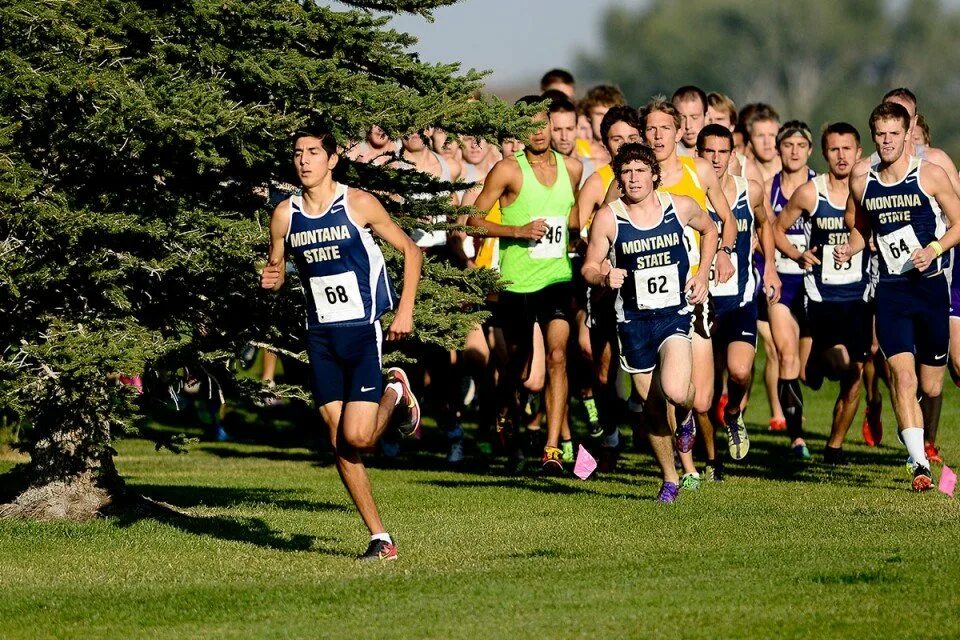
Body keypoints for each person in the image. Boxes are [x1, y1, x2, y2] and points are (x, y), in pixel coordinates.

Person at [260, 128, 423, 560]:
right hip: (321, 336)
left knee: (360, 438)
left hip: (362, 332)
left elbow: (411, 250)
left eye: (314, 152)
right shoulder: (284, 214)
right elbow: (275, 270)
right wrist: (270, 279)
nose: (304, 160)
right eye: (298, 153)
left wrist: (403, 311)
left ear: (332, 159)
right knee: (341, 443)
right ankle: (380, 538)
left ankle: (394, 391)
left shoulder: (357, 203)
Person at [835, 101, 960, 491]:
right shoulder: (863, 180)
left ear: (908, 135)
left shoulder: (930, 175)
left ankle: (919, 442)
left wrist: (935, 250)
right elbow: (860, 227)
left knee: (932, 385)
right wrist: (851, 247)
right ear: (873, 137)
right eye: (880, 135)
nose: (887, 142)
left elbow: (959, 224)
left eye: (894, 134)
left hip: (930, 289)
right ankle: (920, 464)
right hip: (891, 291)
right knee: (902, 378)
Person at [582, 142, 717, 502]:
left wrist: (702, 274)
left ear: (654, 176)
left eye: (641, 170)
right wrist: (603, 276)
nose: (634, 178)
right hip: (633, 323)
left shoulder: (680, 206)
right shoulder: (609, 217)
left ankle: (686, 417)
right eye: (626, 172)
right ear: (619, 179)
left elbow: (711, 230)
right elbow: (589, 266)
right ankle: (670, 479)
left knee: (675, 391)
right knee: (652, 406)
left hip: (673, 316)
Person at [620, 97, 740, 483]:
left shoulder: (698, 169)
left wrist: (719, 256)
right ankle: (683, 469)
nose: (657, 136)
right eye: (650, 129)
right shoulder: (632, 178)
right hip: (643, 301)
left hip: (691, 293)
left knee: (699, 398)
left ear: (678, 132)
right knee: (657, 393)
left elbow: (726, 221)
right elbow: (603, 223)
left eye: (665, 128)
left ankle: (688, 425)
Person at [467, 95, 583, 474]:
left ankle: (551, 449)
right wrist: (515, 230)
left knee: (558, 357)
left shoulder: (573, 169)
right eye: (527, 125)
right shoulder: (507, 170)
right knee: (516, 370)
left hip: (557, 279)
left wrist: (580, 239)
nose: (537, 131)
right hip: (516, 283)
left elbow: (574, 218)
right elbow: (473, 221)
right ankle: (508, 423)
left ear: (551, 124)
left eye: (542, 123)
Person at [774, 123, 869, 464]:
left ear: (859, 153)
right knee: (843, 365)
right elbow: (776, 228)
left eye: (848, 149)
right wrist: (797, 255)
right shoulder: (810, 192)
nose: (842, 156)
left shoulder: (872, 191)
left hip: (861, 298)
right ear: (825, 154)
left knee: (856, 373)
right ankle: (814, 360)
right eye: (834, 149)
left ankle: (835, 447)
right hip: (821, 298)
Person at [696, 124, 780, 480]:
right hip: (701, 301)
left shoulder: (751, 190)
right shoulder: (690, 196)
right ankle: (710, 459)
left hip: (742, 297)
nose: (716, 159)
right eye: (709, 152)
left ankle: (733, 414)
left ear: (733, 155)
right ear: (699, 153)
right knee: (703, 390)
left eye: (722, 152)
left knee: (741, 371)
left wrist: (771, 267)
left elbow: (766, 225)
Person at [576, 106, 643, 465]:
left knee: (646, 360)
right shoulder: (599, 180)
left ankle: (639, 408)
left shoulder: (650, 178)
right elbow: (577, 224)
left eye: (632, 138)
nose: (625, 145)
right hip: (605, 283)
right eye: (617, 138)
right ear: (606, 143)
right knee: (604, 365)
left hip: (645, 282)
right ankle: (611, 436)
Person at [766, 120, 816, 458]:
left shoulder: (820, 187)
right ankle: (796, 438)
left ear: (810, 151)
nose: (794, 151)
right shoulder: (768, 189)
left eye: (801, 146)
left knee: (807, 370)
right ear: (778, 149)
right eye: (788, 145)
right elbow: (762, 236)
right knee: (786, 356)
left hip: (817, 287)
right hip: (783, 283)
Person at [576, 85, 627, 166]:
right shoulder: (575, 150)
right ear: (589, 116)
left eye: (610, 114)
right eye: (599, 114)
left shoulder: (628, 151)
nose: (605, 119)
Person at [671, 85, 708, 158]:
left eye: (694, 117)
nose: (688, 125)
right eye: (682, 118)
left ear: (706, 117)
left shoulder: (719, 154)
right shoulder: (665, 156)